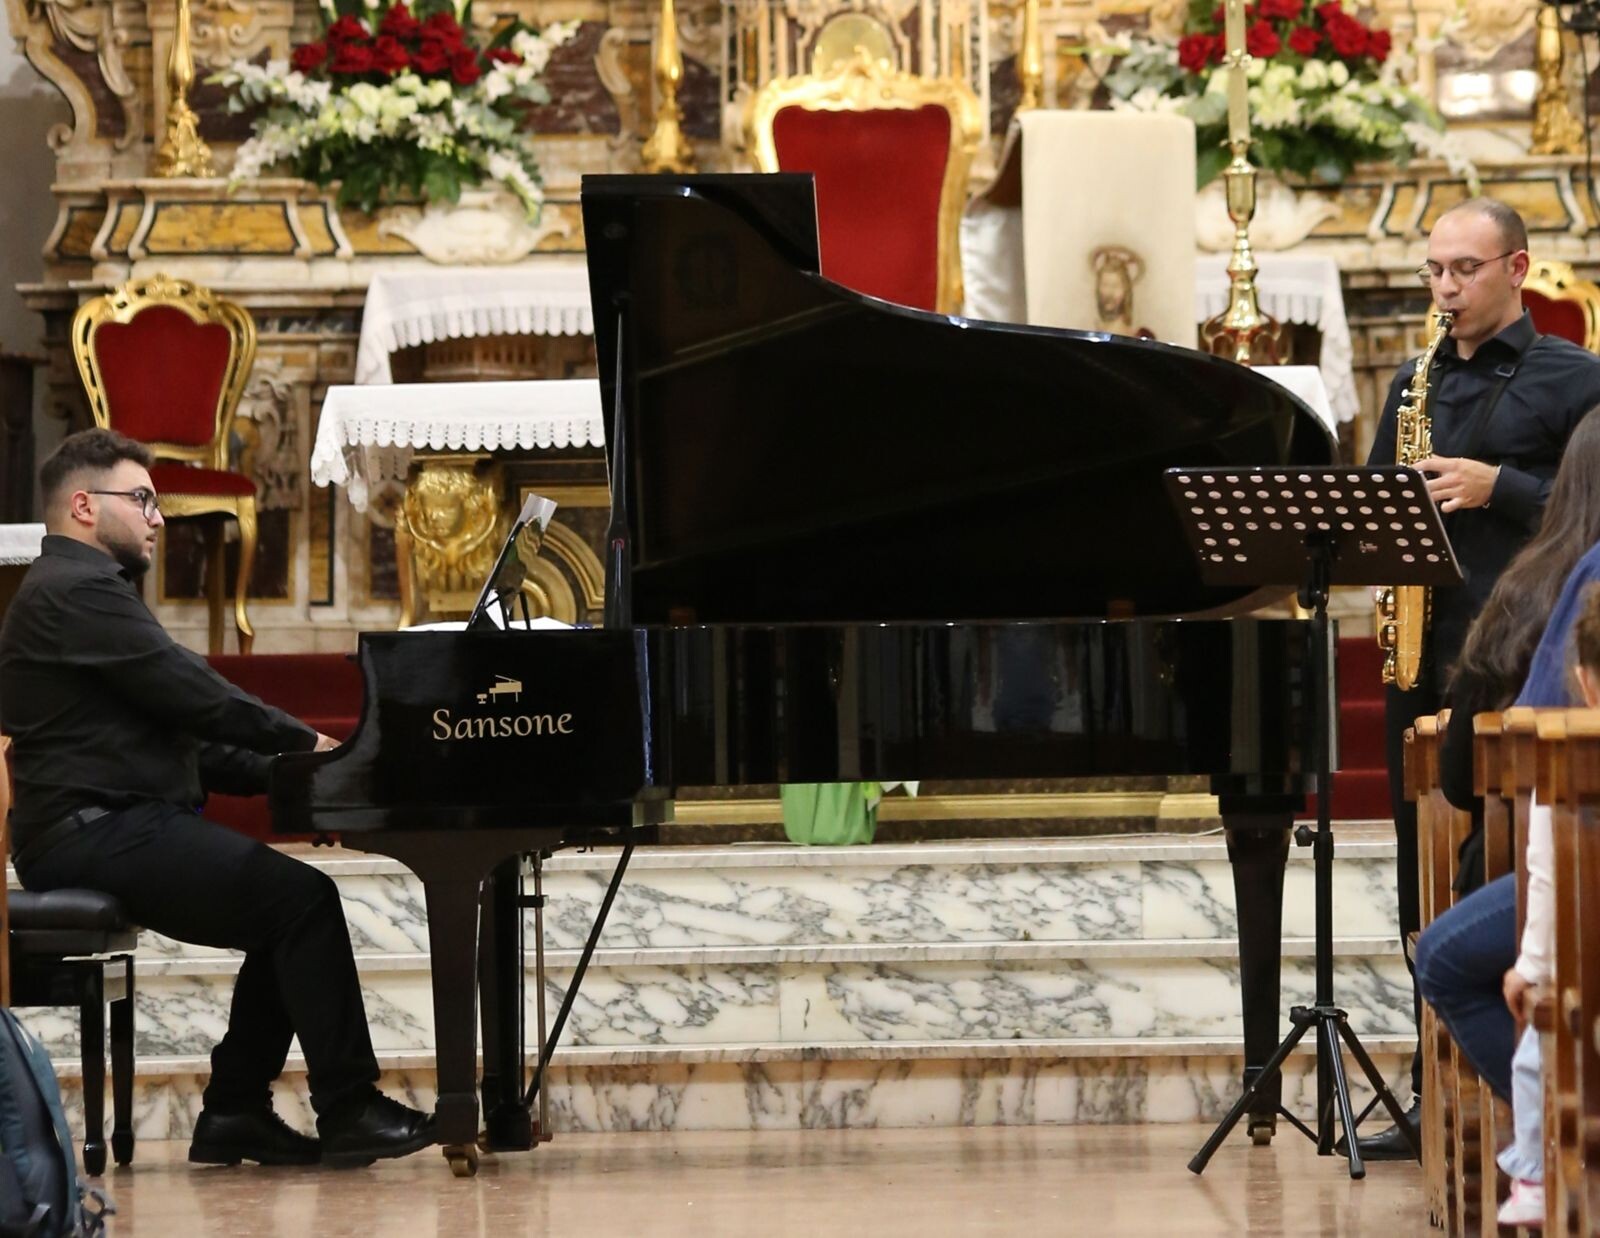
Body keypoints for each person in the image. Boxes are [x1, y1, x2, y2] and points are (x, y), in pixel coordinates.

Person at [0, 428, 435, 1169]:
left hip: (106, 822)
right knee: (299, 903)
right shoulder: (75, 591)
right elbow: (196, 694)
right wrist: (306, 743)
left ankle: (235, 1111)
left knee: (286, 908)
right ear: (81, 505)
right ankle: (347, 1108)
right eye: (141, 499)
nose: (157, 518)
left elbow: (187, 745)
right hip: (88, 831)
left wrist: (303, 782)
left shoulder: (84, 594)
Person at [1358, 197, 1600, 1160]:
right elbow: (1377, 494)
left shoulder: (1578, 378)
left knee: (1491, 878)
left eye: (1464, 269)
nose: (1446, 289)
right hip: (1424, 651)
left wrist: (1501, 487)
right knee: (1419, 886)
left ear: (1518, 268)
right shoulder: (1413, 381)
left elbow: (1591, 509)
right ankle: (1437, 1098)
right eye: (1434, 272)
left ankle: (1534, 1103)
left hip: (1518, 658)